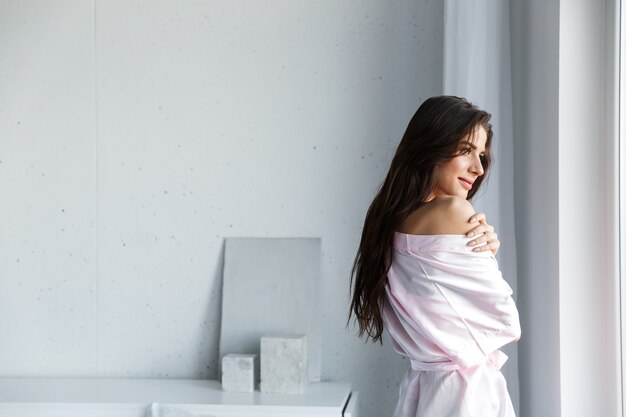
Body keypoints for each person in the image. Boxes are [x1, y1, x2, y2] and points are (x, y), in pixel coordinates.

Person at [349, 96, 521, 417]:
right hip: (465, 396)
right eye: (466, 150)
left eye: (481, 155)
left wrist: (485, 254)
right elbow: (507, 324)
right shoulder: (454, 210)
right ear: (432, 146)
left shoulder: (388, 223)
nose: (478, 167)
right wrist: (488, 257)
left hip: (422, 390)